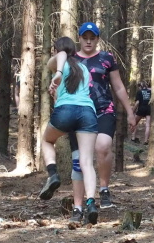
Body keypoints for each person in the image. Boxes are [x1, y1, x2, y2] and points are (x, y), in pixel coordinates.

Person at [68, 22, 137, 219]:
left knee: (103, 146)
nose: (88, 41)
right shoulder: (71, 60)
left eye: (92, 38)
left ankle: (104, 188)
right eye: (85, 38)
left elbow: (119, 86)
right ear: (79, 39)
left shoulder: (107, 58)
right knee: (79, 159)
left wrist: (130, 112)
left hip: (103, 109)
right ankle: (78, 206)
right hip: (78, 113)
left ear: (97, 39)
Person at [38, 36, 99, 225]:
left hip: (67, 111)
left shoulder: (58, 60)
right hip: (87, 113)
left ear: (56, 50)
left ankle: (53, 174)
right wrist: (55, 92)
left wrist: (57, 73)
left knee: (47, 140)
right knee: (86, 162)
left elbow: (61, 55)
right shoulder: (83, 69)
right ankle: (91, 203)